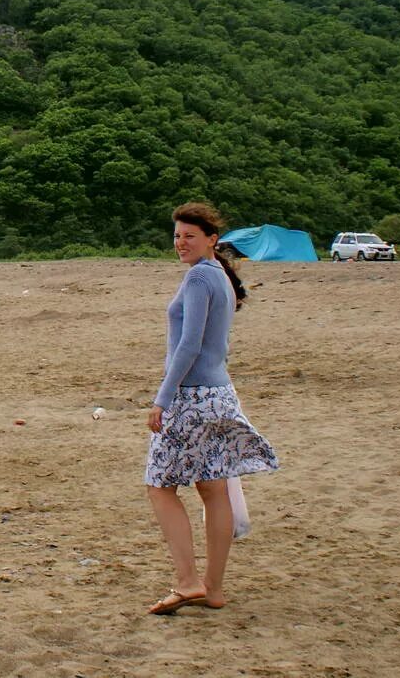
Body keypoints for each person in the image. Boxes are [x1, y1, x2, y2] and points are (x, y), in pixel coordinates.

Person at [144, 201, 278, 615]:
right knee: (213, 488)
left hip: (194, 396)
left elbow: (190, 344)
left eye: (190, 236)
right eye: (177, 236)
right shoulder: (219, 273)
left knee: (160, 485)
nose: (181, 243)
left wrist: (162, 397)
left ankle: (187, 582)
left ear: (211, 239)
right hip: (220, 394)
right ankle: (213, 589)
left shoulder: (201, 275)